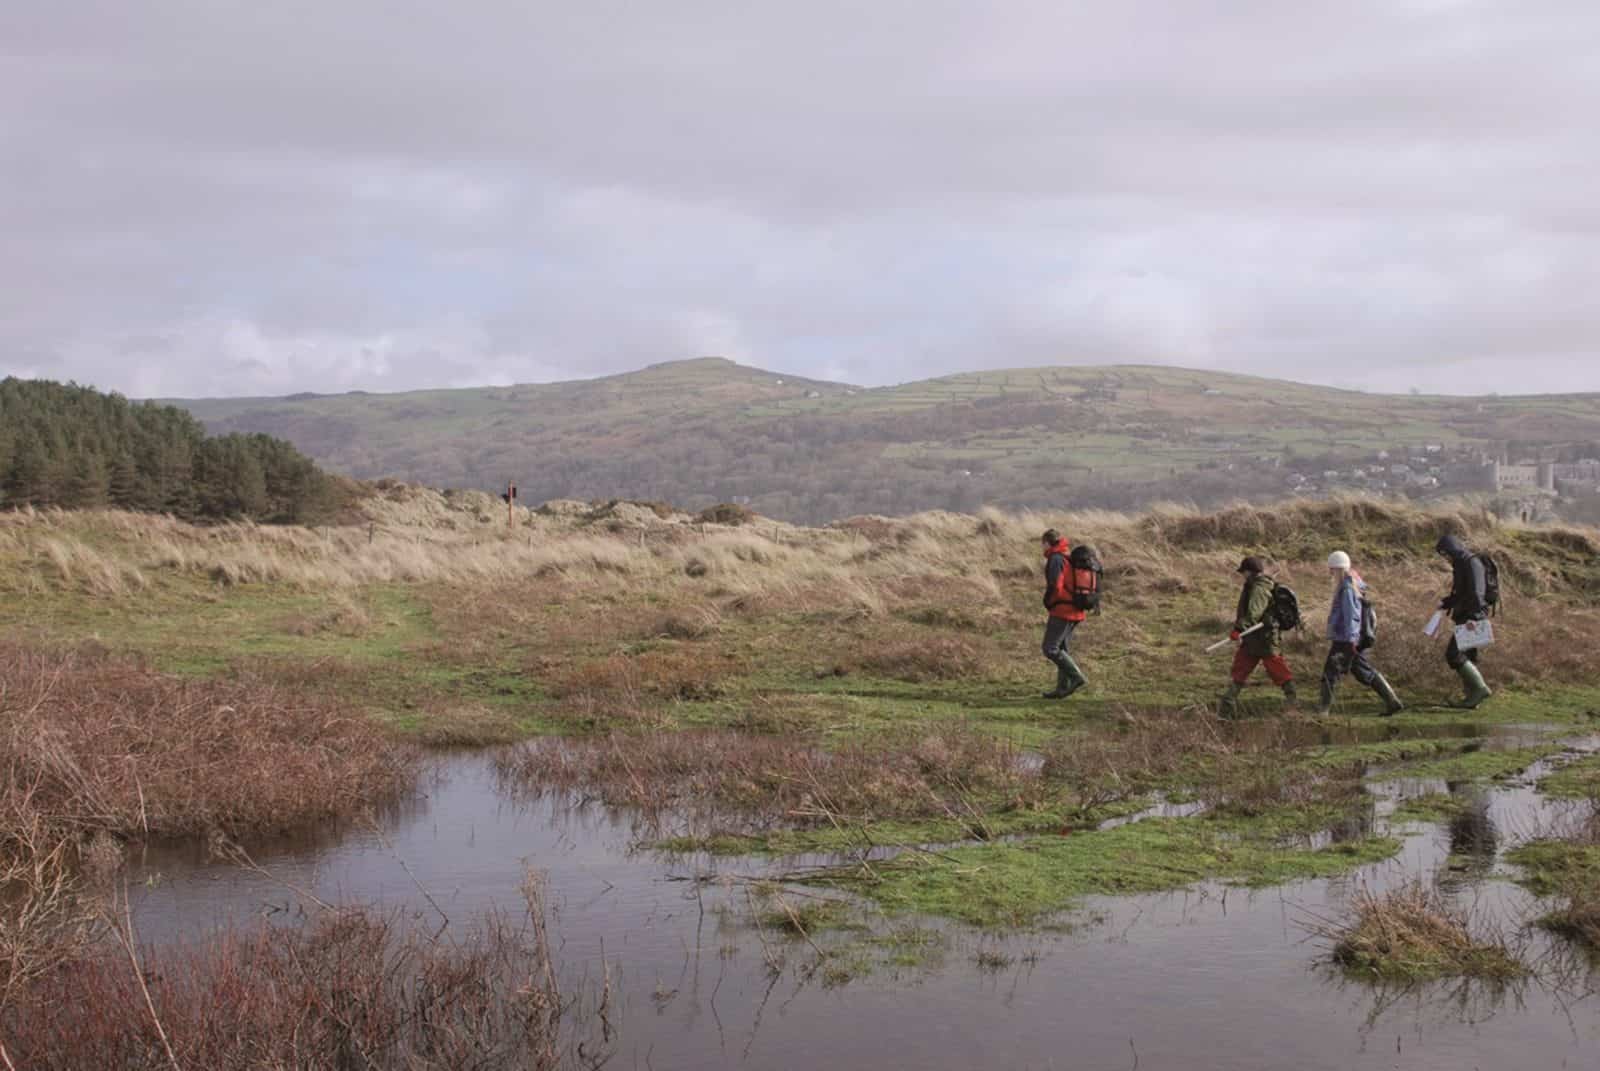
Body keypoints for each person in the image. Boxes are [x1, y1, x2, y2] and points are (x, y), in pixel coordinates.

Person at [1318, 550, 1404, 716]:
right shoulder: (1353, 584)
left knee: (1330, 672)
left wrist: (1351, 641)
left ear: (1338, 569)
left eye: (1332, 569)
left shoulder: (1347, 588)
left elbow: (1352, 616)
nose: (1330, 573)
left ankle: (1323, 711)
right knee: (1361, 670)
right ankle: (1392, 701)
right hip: (1353, 638)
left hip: (1346, 639)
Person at [1219, 556, 1296, 716]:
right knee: (1241, 667)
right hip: (1253, 637)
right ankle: (1228, 703)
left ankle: (1292, 702)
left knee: (1277, 669)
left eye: (1244, 572)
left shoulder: (1260, 588)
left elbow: (1254, 613)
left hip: (1265, 637)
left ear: (1250, 572)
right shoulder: (1252, 585)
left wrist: (1239, 629)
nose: (1243, 575)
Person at [1436, 534, 1493, 709]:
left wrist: (1473, 618)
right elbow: (1462, 593)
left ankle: (1481, 689)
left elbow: (1476, 593)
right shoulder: (1461, 564)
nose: (1445, 557)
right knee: (1468, 656)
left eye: (1446, 553)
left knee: (1453, 655)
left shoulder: (1471, 563)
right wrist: (1447, 602)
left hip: (1472, 616)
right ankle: (1471, 699)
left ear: (1453, 548)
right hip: (1468, 615)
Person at [1040, 529, 1089, 699]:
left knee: (1050, 648)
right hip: (1075, 609)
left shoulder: (1055, 559)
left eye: (1042, 543)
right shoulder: (1066, 557)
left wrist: (1047, 601)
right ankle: (1062, 688)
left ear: (1047, 542)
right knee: (1061, 647)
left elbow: (1056, 586)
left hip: (1063, 610)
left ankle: (1077, 678)